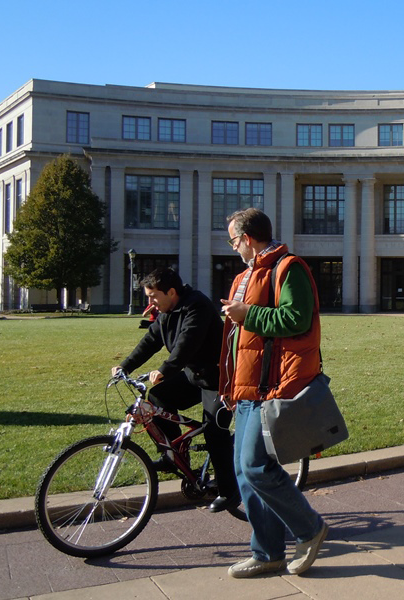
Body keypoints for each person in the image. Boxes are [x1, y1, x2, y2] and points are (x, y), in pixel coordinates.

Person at [219, 208, 328, 579]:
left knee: (256, 467)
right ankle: (267, 554)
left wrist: (246, 313)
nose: (234, 249)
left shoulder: (288, 267)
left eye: (234, 241)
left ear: (247, 238)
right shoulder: (245, 276)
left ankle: (310, 528)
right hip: (246, 389)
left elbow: (296, 318)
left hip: (273, 387)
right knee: (244, 472)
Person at [113, 267, 238, 512]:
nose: (150, 302)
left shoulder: (197, 305)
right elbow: (151, 340)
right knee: (158, 397)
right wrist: (125, 367)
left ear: (171, 292)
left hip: (220, 379)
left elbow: (187, 343)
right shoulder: (167, 311)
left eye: (153, 296)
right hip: (195, 376)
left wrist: (165, 370)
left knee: (215, 433)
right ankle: (174, 456)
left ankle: (230, 491)